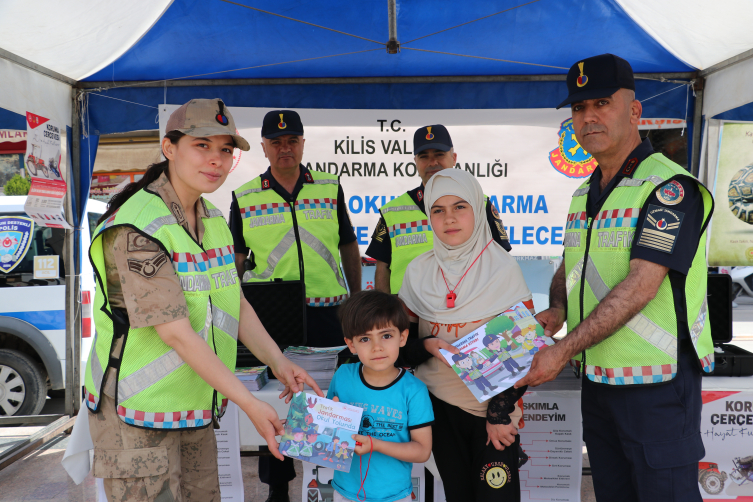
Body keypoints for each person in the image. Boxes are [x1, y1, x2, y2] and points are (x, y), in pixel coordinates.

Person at [82, 99, 323, 502]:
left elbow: (234, 301)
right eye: (202, 146)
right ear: (169, 148)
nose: (216, 160)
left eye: (226, 150)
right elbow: (175, 332)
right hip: (137, 415)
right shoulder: (137, 226)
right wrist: (248, 402)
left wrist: (278, 361)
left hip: (192, 405)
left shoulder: (211, 219)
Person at [516, 54, 714, 502]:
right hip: (600, 380)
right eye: (579, 109)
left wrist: (562, 348)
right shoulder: (584, 193)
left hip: (656, 384)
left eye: (601, 103)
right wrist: (559, 309)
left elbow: (643, 284)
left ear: (634, 111)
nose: (589, 117)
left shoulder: (668, 188)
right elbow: (574, 266)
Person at [228, 110, 362, 500]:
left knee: (326, 394)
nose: (285, 148)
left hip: (329, 312)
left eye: (292, 141)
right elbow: (237, 258)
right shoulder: (246, 196)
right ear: (265, 147)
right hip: (272, 314)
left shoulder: (329, 187)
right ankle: (278, 486)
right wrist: (232, 310)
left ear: (302, 144)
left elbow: (348, 245)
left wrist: (354, 300)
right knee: (277, 395)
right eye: (276, 142)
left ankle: (325, 479)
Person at [399, 168, 533, 502]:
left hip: (493, 412)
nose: (449, 218)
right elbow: (401, 347)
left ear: (477, 207)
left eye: (460, 206)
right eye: (438, 210)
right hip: (436, 410)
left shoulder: (503, 270)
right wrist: (428, 345)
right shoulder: (417, 272)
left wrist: (499, 414)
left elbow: (525, 350)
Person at [366, 124, 512, 294]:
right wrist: (386, 313)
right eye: (424, 156)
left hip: (466, 308)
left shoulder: (480, 204)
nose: (432, 162)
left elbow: (501, 258)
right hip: (406, 312)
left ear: (454, 157)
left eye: (439, 155)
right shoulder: (393, 211)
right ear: (416, 162)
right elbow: (383, 266)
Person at [328, 290, 433, 502]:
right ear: (351, 344)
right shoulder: (343, 376)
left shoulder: (414, 390)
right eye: (365, 338)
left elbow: (422, 451)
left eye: (386, 336)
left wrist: (374, 444)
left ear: (402, 337)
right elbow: (328, 436)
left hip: (395, 496)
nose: (377, 347)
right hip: (345, 493)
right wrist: (307, 424)